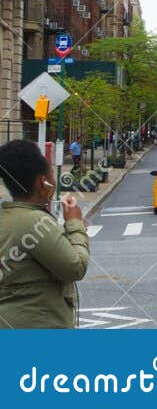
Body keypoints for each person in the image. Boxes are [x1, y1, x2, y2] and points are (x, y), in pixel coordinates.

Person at [0, 140, 90, 329]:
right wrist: (74, 223)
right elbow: (75, 267)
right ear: (44, 181)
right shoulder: (34, 222)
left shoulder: (8, 217)